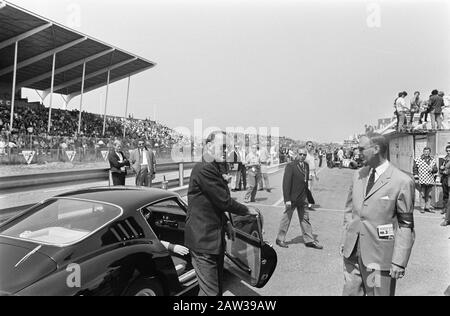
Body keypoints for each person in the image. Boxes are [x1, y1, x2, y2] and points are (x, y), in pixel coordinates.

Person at [341, 134, 415, 296]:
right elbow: (349, 210)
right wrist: (346, 237)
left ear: (376, 149)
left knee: (375, 294)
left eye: (361, 149)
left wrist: (399, 261)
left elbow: (406, 224)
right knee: (350, 293)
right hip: (352, 255)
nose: (357, 152)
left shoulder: (401, 181)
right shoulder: (358, 175)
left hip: (377, 259)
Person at [185, 131, 251, 296]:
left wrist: (226, 223)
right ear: (208, 146)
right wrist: (247, 210)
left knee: (210, 290)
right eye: (222, 147)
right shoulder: (205, 168)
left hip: (212, 239)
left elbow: (213, 204)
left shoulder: (212, 166)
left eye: (227, 147)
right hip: (204, 241)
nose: (226, 151)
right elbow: (224, 201)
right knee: (212, 293)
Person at [276, 148, 323, 250]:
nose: (302, 156)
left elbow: (305, 182)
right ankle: (280, 239)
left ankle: (309, 240)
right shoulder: (291, 166)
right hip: (292, 198)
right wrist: (287, 199)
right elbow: (286, 184)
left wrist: (307, 196)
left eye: (304, 155)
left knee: (305, 219)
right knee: (286, 219)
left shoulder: (306, 165)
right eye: (300, 154)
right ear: (297, 154)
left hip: (303, 198)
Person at [413, 147, 438, 214]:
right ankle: (422, 207)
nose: (426, 153)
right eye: (425, 151)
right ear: (423, 152)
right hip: (422, 179)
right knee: (422, 194)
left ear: (430, 152)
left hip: (430, 179)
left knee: (429, 194)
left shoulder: (432, 160)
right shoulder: (418, 159)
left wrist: (432, 170)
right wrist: (416, 178)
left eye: (428, 152)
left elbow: (436, 169)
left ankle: (428, 207)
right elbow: (415, 169)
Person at [306, 141, 319, 209]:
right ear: (306, 146)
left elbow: (313, 165)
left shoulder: (312, 155)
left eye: (311, 146)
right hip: (307, 173)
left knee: (310, 188)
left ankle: (309, 204)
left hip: (312, 173)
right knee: (307, 188)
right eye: (309, 145)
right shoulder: (305, 154)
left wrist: (315, 174)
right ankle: (308, 203)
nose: (310, 147)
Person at [439, 145, 450, 215]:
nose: (448, 152)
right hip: (445, 179)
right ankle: (444, 208)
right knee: (445, 194)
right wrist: (441, 169)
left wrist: (448, 172)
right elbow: (440, 170)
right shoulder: (444, 159)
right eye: (447, 151)